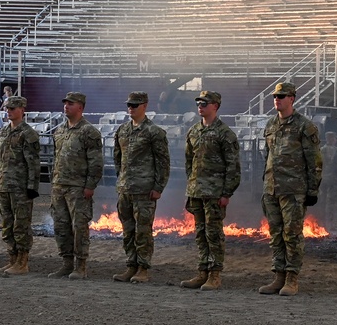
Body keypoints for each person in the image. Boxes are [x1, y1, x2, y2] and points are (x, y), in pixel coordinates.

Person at [257, 82, 323, 297]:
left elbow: (313, 160)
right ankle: (279, 275)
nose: (278, 99)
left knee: (292, 234)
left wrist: (312, 190)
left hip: (294, 189)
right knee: (275, 234)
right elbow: (267, 157)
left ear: (292, 98)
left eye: (282, 96)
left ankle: (292, 278)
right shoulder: (270, 125)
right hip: (272, 189)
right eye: (276, 96)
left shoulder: (305, 126)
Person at [180, 91, 240, 291]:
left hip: (215, 192)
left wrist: (226, 193)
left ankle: (215, 274)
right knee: (200, 233)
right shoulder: (194, 132)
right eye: (198, 103)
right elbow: (189, 162)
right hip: (197, 191)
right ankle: (202, 271)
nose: (200, 106)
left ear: (215, 106)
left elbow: (233, 166)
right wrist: (192, 186)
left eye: (205, 103)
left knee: (214, 233)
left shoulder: (225, 133)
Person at [112, 91, 170, 284]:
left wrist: (159, 187)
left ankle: (143, 268)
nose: (131, 108)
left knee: (143, 231)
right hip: (126, 189)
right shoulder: (122, 130)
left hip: (145, 190)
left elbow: (163, 162)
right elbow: (117, 158)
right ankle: (131, 265)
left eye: (135, 105)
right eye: (129, 104)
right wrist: (120, 180)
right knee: (128, 230)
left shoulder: (154, 132)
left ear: (145, 105)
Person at [48, 92, 103, 279]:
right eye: (65, 103)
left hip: (78, 187)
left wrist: (90, 185)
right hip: (59, 185)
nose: (66, 106)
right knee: (61, 226)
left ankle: (81, 265)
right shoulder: (60, 130)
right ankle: (66, 263)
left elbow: (96, 162)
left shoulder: (89, 132)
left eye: (70, 103)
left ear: (80, 106)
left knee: (79, 227)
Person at [0, 96, 40, 276]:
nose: (9, 111)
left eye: (13, 108)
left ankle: (22, 262)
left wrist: (32, 187)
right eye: (7, 108)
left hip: (20, 187)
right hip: (4, 185)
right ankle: (12, 259)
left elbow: (33, 163)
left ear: (22, 109)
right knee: (8, 225)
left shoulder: (28, 133)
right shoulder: (3, 132)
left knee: (21, 225)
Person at [319, 131, 337, 233]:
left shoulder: (321, 150)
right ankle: (330, 225)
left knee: (322, 202)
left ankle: (321, 224)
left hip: (322, 180)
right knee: (332, 204)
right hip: (334, 181)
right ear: (333, 139)